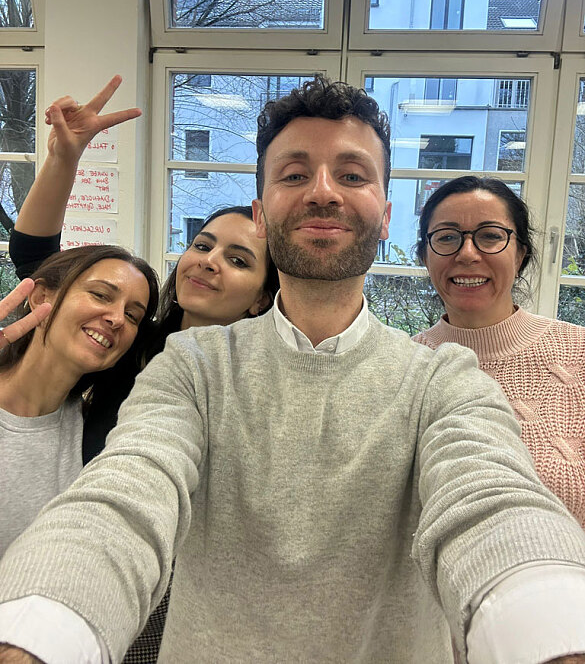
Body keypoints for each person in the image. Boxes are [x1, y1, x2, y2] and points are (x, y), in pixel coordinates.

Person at [1, 77, 585, 664]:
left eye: (351, 175)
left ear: (385, 216)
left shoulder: (443, 379)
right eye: (294, 174)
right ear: (261, 214)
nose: (323, 192)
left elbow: (490, 503)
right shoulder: (191, 367)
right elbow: (124, 498)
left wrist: (549, 629)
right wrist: (39, 636)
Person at [7, 76, 278, 663]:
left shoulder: (262, 385)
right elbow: (37, 261)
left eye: (237, 259)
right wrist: (65, 158)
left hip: (198, 597)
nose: (208, 261)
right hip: (93, 566)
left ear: (261, 298)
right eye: (202, 245)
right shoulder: (130, 343)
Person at [412, 175, 585, 528]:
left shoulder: (578, 352)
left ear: (520, 254)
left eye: (490, 236)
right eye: (447, 237)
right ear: (424, 257)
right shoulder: (402, 366)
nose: (467, 254)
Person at [0, 243, 159, 560]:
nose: (117, 319)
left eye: (132, 315)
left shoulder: (97, 435)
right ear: (41, 297)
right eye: (101, 295)